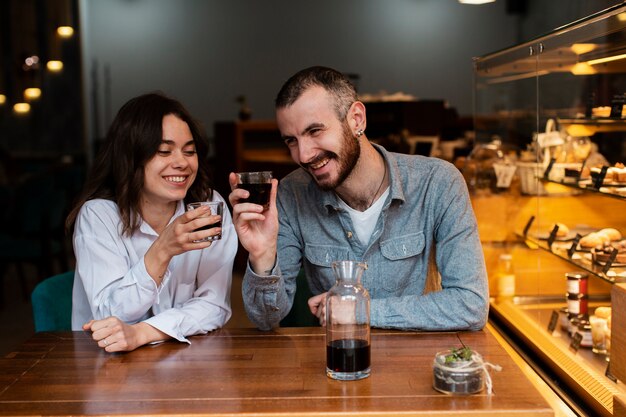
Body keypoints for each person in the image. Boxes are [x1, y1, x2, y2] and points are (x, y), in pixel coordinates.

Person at [229, 66, 488, 331]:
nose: (303, 155)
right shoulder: (290, 194)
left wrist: (360, 310)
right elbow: (266, 319)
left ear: (356, 120)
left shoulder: (438, 183)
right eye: (291, 141)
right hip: (336, 364)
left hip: (416, 365)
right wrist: (261, 255)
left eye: (315, 131)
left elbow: (471, 304)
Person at [66, 92, 237, 352]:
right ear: (131, 157)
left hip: (187, 362)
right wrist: (163, 249)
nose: (181, 162)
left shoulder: (207, 207)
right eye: (163, 151)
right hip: (110, 371)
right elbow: (109, 316)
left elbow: (215, 306)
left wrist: (142, 333)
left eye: (189, 151)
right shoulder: (99, 215)